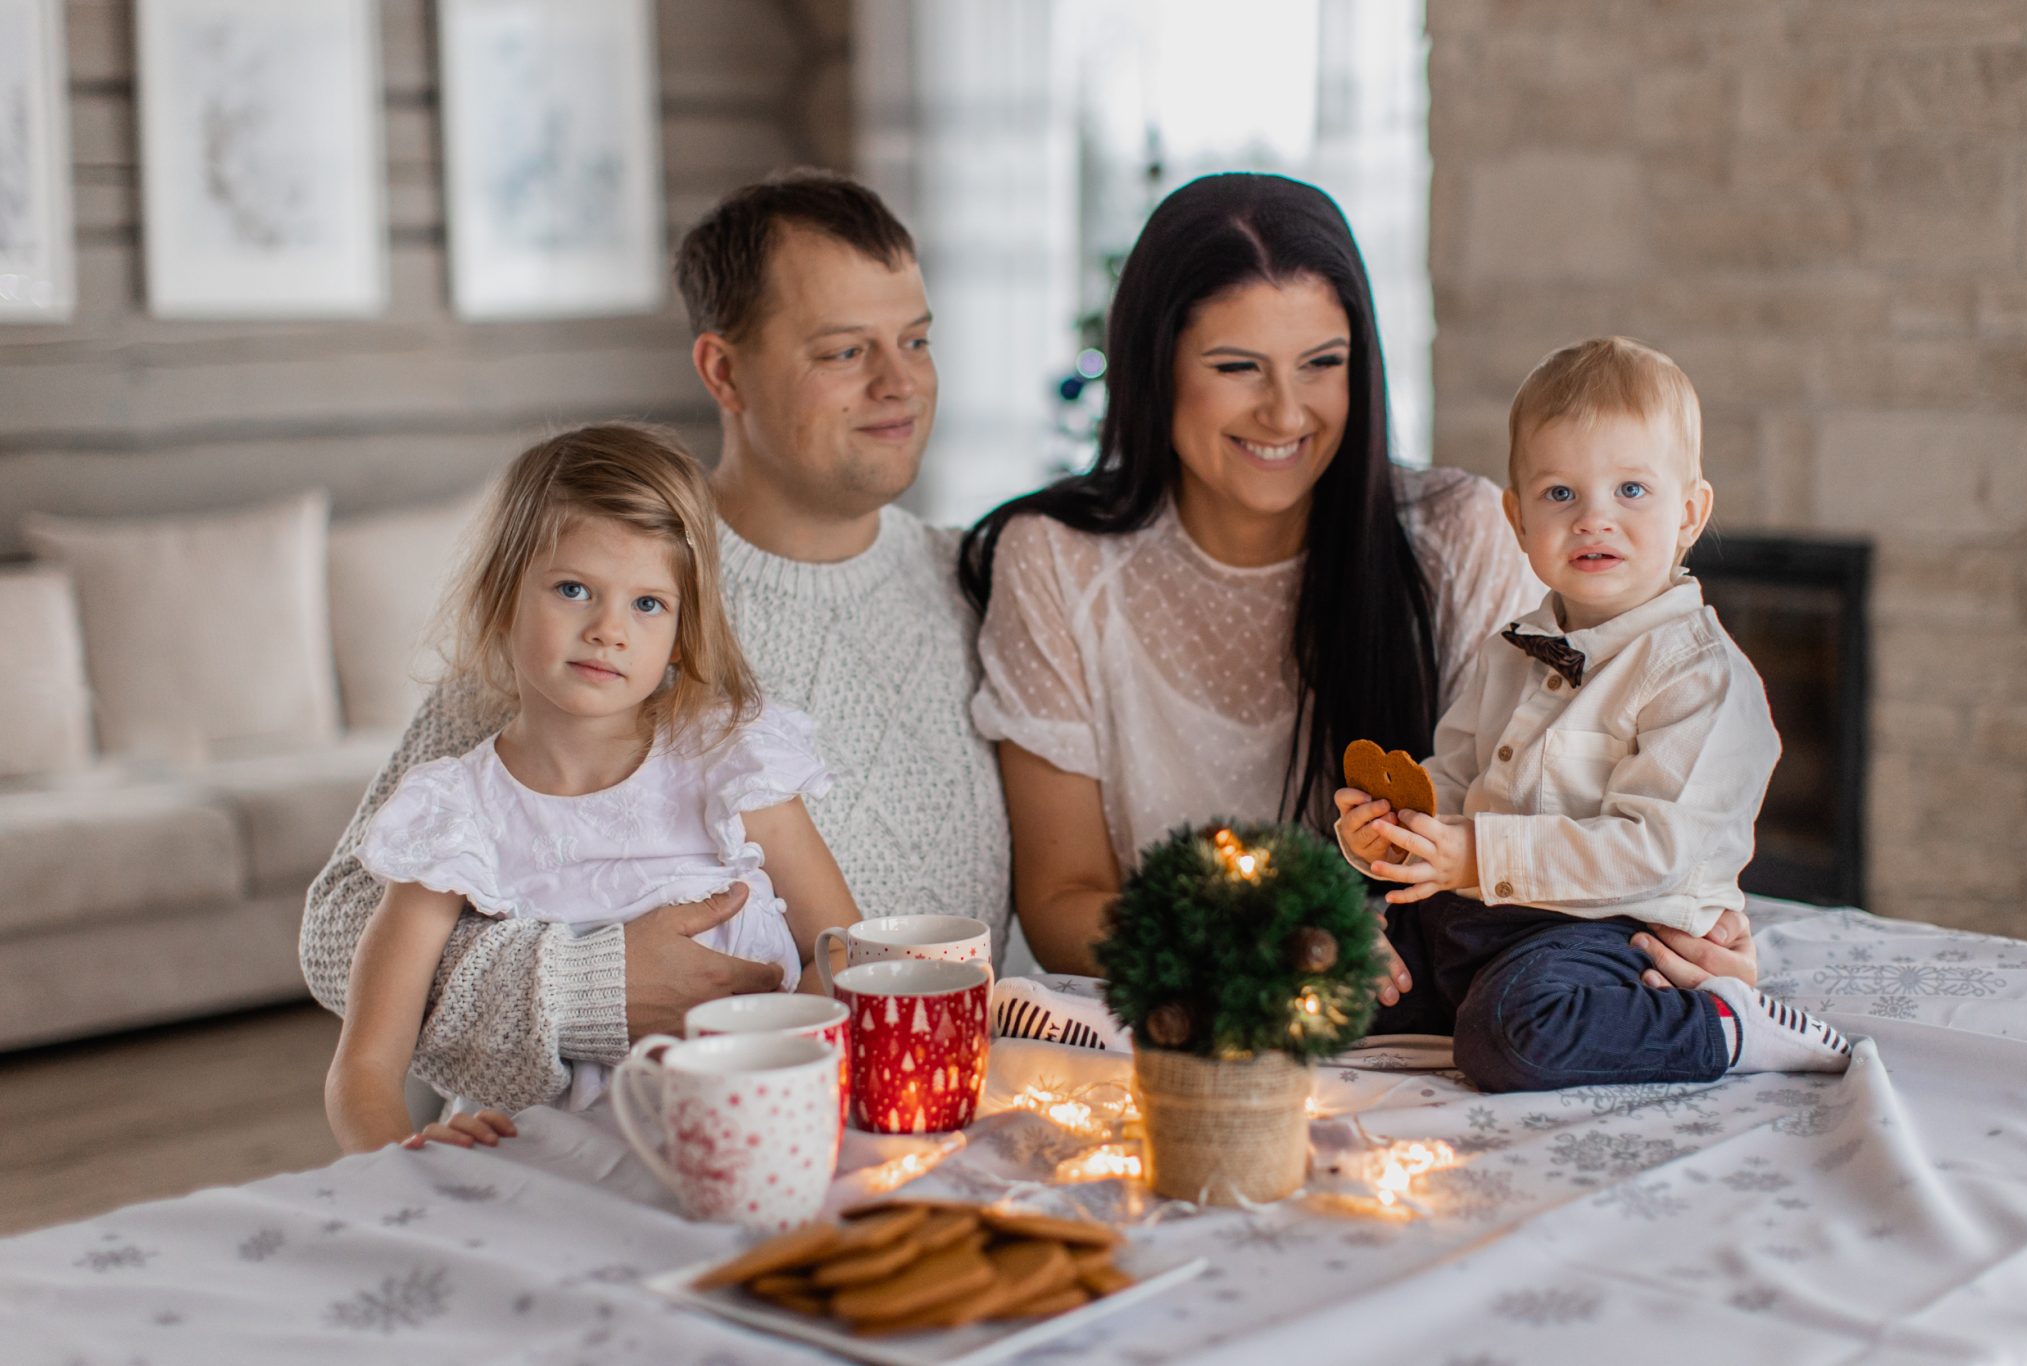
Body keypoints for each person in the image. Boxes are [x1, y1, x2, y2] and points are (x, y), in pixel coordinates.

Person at [302, 170, 1010, 1113]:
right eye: (845, 350)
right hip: (609, 1139)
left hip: (894, 1125)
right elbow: (339, 931)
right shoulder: (601, 593)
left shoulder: (983, 584)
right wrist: (584, 984)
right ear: (722, 371)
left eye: (916, 340)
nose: (899, 383)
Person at [961, 173, 1758, 1010]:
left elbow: (1589, 801)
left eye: (1321, 365)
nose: (1283, 412)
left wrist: (1690, 929)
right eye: (1237, 366)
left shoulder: (1462, 532)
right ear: (1153, 369)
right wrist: (1265, 941)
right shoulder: (1054, 560)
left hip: (1448, 994)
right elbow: (1059, 905)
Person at [325, 424, 860, 1151]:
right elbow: (364, 1065)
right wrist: (400, 1157)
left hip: (753, 1142)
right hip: (541, 1171)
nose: (610, 629)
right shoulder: (452, 815)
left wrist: (786, 1062)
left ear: (681, 633)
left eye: (647, 604)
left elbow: (848, 954)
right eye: (574, 589)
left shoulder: (730, 763)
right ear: (503, 597)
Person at [1336, 337, 1850, 1091]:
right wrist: (1393, 835)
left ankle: (1727, 1029)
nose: (1593, 520)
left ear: (1690, 512)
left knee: (1513, 1035)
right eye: (1560, 494)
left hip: (1615, 930)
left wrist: (1477, 854)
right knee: (1327, 967)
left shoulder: (1701, 678)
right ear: (1517, 518)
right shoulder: (1510, 651)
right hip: (1479, 915)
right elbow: (1454, 777)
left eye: (1632, 491)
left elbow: (1654, 853)